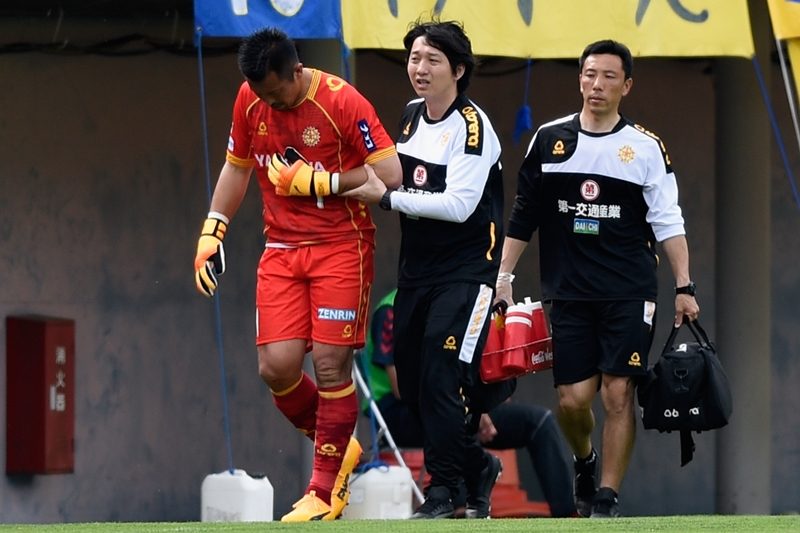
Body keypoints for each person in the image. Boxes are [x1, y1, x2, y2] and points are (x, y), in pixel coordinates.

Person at [192, 27, 402, 522]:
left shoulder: (342, 101)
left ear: (297, 71)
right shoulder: (250, 99)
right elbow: (237, 167)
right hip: (282, 250)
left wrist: (322, 180)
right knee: (277, 368)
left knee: (330, 366)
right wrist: (213, 229)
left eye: (276, 93)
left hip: (341, 247)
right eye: (260, 94)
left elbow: (390, 174)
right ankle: (340, 446)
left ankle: (323, 490)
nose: (269, 104)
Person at [494, 39, 700, 519]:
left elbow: (668, 220)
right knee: (572, 400)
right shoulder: (549, 139)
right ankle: (584, 460)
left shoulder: (645, 147)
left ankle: (606, 497)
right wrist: (503, 275)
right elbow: (524, 214)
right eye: (589, 74)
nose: (597, 84)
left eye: (609, 76)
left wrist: (684, 286)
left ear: (626, 86)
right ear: (580, 79)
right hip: (568, 292)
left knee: (618, 391)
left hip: (629, 291)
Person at [344, 20, 505, 519]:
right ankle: (477, 464)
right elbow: (387, 174)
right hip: (417, 272)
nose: (420, 68)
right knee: (412, 385)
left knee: (440, 374)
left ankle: (443, 490)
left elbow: (458, 205)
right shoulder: (412, 115)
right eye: (415, 57)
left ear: (458, 70)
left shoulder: (474, 128)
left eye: (433, 60)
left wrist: (387, 199)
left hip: (467, 272)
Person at [362, 289, 577, 518]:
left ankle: (567, 516)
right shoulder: (391, 309)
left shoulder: (458, 296)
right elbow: (402, 388)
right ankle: (460, 501)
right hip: (402, 410)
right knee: (453, 416)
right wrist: (464, 405)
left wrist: (479, 403)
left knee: (539, 422)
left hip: (459, 401)